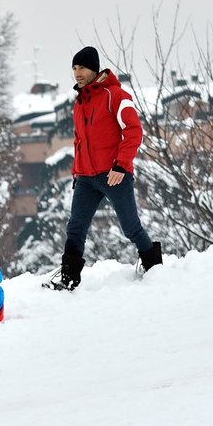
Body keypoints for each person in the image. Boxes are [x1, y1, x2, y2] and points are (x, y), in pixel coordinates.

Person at [47, 46, 163, 291]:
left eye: (82, 68)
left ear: (94, 69)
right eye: (74, 68)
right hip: (86, 178)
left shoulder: (116, 96)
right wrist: (77, 174)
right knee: (75, 228)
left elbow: (134, 131)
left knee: (131, 228)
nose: (77, 73)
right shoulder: (79, 103)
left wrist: (121, 166)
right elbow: (80, 142)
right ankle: (68, 278)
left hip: (114, 175)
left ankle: (155, 268)